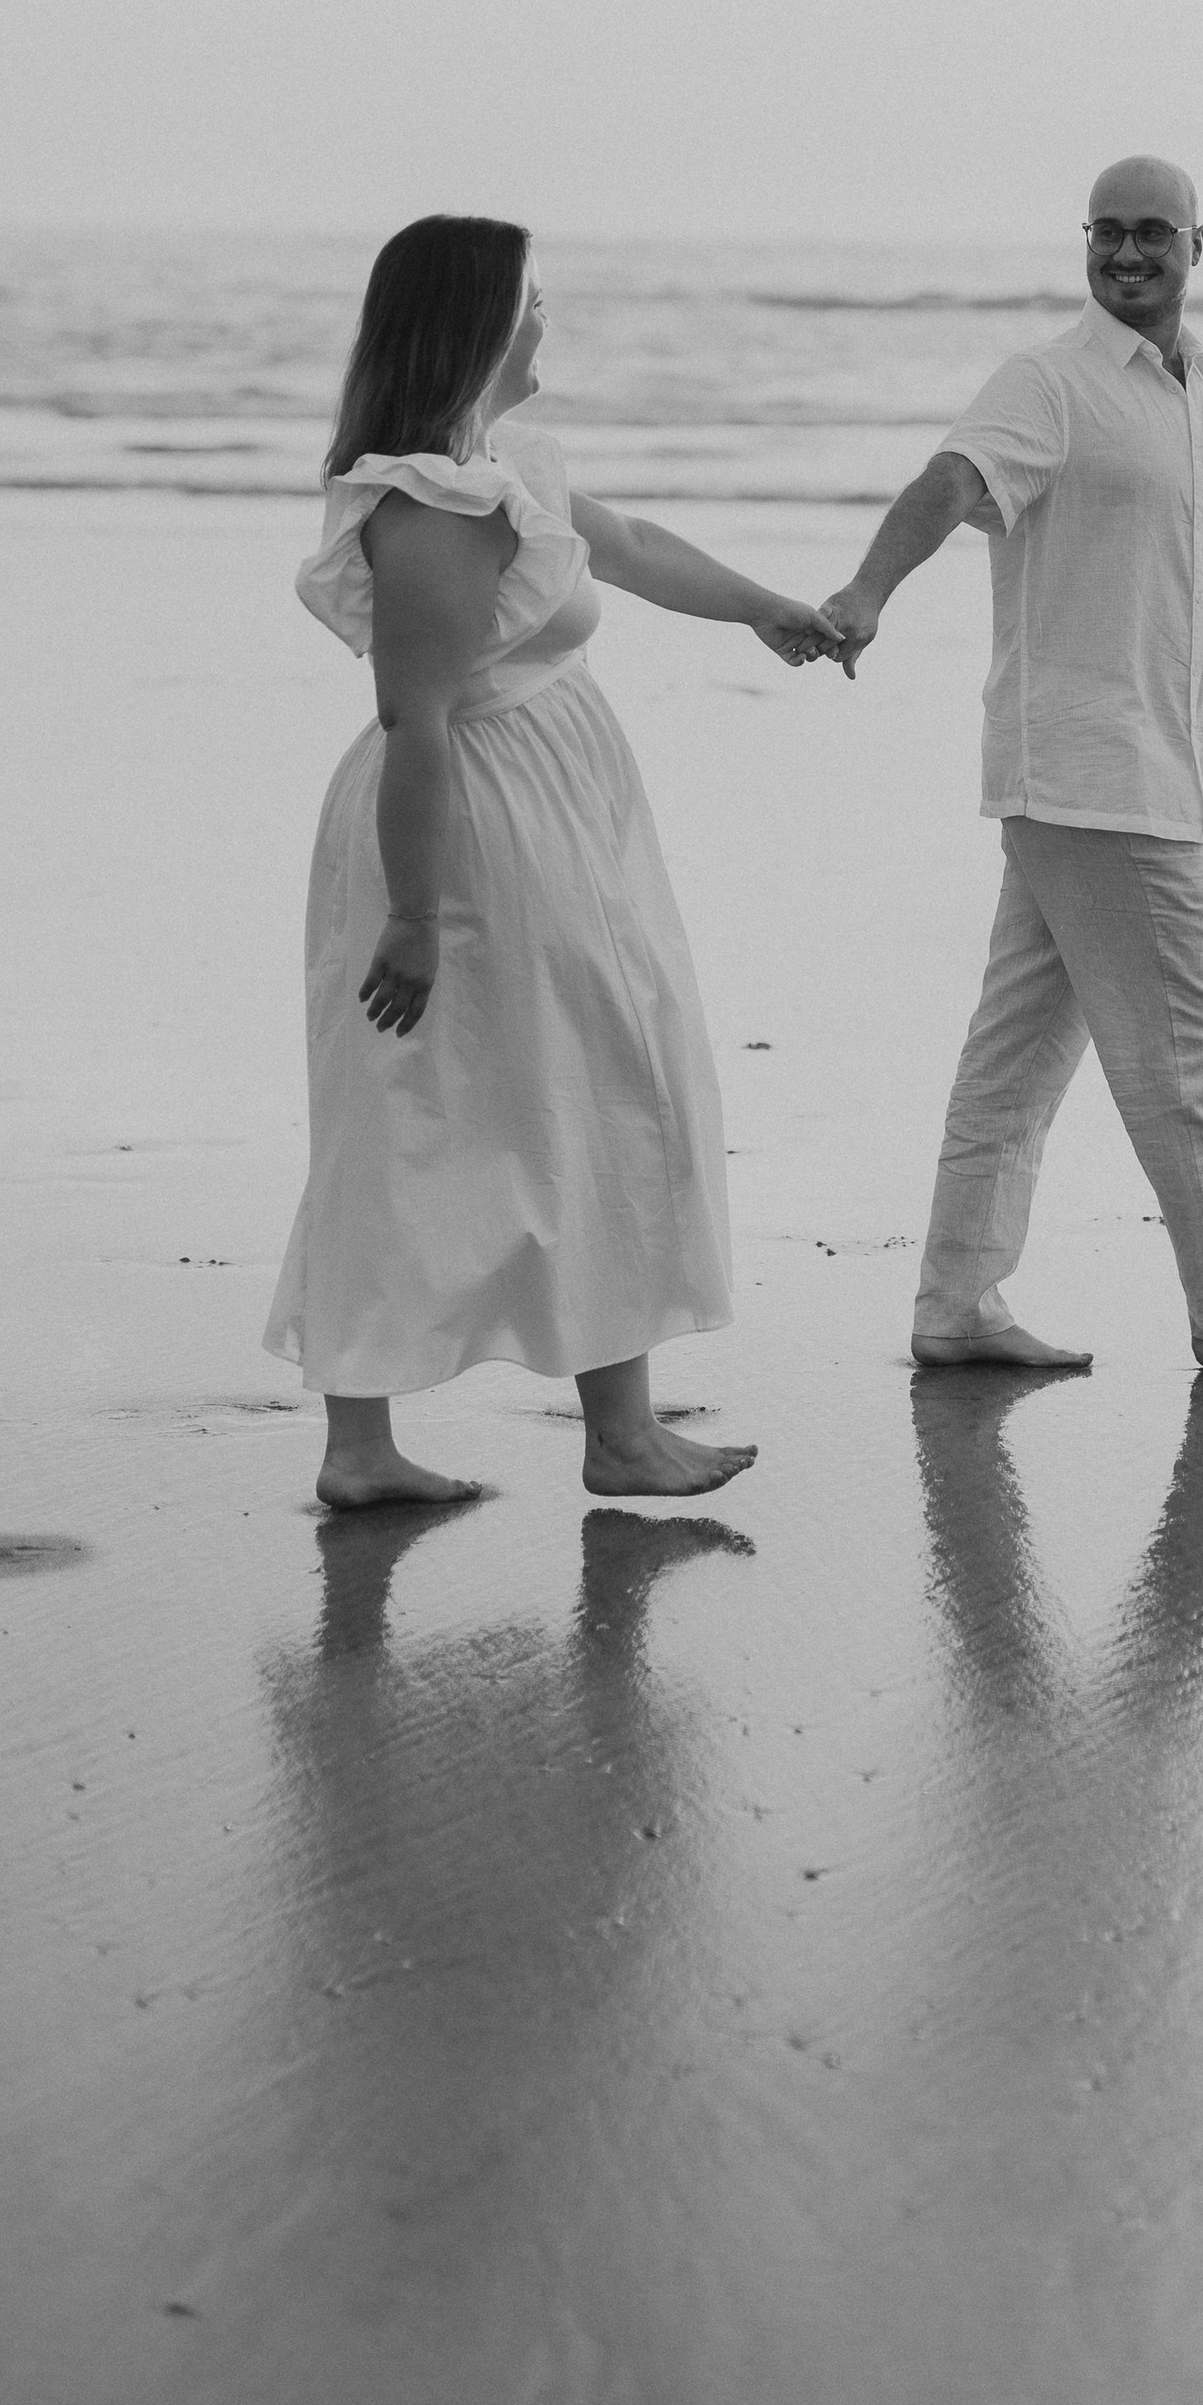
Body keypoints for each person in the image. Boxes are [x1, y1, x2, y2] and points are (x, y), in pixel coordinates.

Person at [266, 214, 843, 1510]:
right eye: (528, 303)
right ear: (471, 324)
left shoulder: (504, 463)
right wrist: (416, 914)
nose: (544, 323)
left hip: (553, 819)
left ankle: (597, 1431)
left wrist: (770, 610)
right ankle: (387, 1448)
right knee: (449, 1116)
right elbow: (415, 717)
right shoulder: (428, 506)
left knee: (588, 1099)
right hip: (472, 833)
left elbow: (629, 548)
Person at [822, 154, 1203, 1378]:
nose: (1126, 256)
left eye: (1150, 235)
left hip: (1138, 777)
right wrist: (867, 591)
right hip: (1086, 772)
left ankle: (955, 1305)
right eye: (1105, 235)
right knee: (1182, 1049)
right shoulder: (1051, 384)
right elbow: (951, 481)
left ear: (1194, 244)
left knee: (1014, 1055)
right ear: (1084, 242)